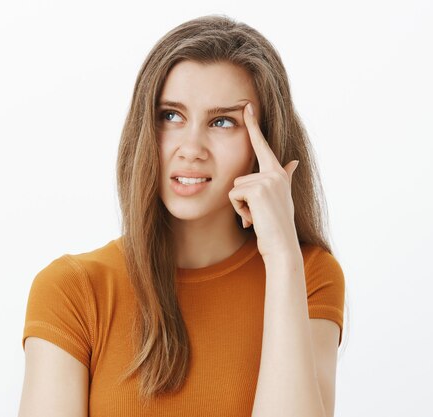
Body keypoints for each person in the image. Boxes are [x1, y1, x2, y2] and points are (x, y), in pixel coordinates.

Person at [18, 14, 345, 417]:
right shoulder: (73, 291)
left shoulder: (308, 275)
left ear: (266, 143)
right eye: (171, 116)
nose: (191, 148)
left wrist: (281, 257)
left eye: (222, 122)